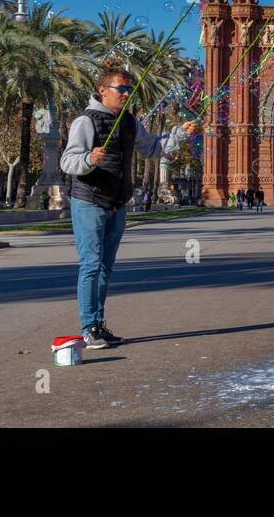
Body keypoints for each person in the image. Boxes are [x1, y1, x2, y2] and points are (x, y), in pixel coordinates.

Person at [60, 67, 199, 350]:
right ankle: (89, 328)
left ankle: (98, 324)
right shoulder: (85, 122)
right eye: (121, 89)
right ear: (103, 90)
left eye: (129, 90)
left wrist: (179, 134)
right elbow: (67, 162)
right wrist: (88, 158)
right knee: (91, 265)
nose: (127, 94)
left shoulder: (129, 122)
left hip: (116, 203)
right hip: (89, 201)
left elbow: (153, 148)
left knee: (105, 268)